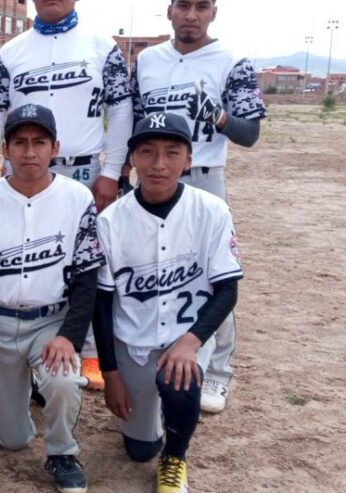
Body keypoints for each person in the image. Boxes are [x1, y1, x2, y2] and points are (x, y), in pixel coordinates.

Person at [0, 0, 133, 391]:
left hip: (83, 173)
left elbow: (120, 112)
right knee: (31, 259)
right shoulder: (11, 52)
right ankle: (29, 359)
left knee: (88, 267)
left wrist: (112, 172)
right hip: (21, 171)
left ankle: (84, 356)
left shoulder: (103, 47)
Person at [129, 0, 265, 413]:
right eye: (184, 5)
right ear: (169, 9)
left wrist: (218, 116)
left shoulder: (232, 60)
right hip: (151, 174)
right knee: (155, 266)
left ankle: (218, 374)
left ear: (213, 11)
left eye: (201, 6)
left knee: (214, 273)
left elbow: (250, 134)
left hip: (205, 175)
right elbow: (132, 121)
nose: (191, 15)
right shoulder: (149, 60)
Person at [0, 104, 105, 493]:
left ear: (55, 147)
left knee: (64, 379)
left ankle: (62, 453)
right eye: (19, 143)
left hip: (50, 322)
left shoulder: (77, 199)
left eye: (39, 142)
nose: (29, 152)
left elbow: (88, 278)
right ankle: (14, 400)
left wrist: (69, 337)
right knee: (12, 439)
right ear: (5, 150)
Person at [92, 112, 242, 493]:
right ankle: (150, 416)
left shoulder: (211, 211)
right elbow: (102, 305)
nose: (159, 164)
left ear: (188, 160)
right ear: (133, 160)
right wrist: (110, 375)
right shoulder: (110, 221)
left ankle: (176, 456)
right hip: (133, 341)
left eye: (172, 153)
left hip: (186, 335)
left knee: (180, 382)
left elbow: (228, 289)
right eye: (147, 152)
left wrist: (190, 342)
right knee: (140, 449)